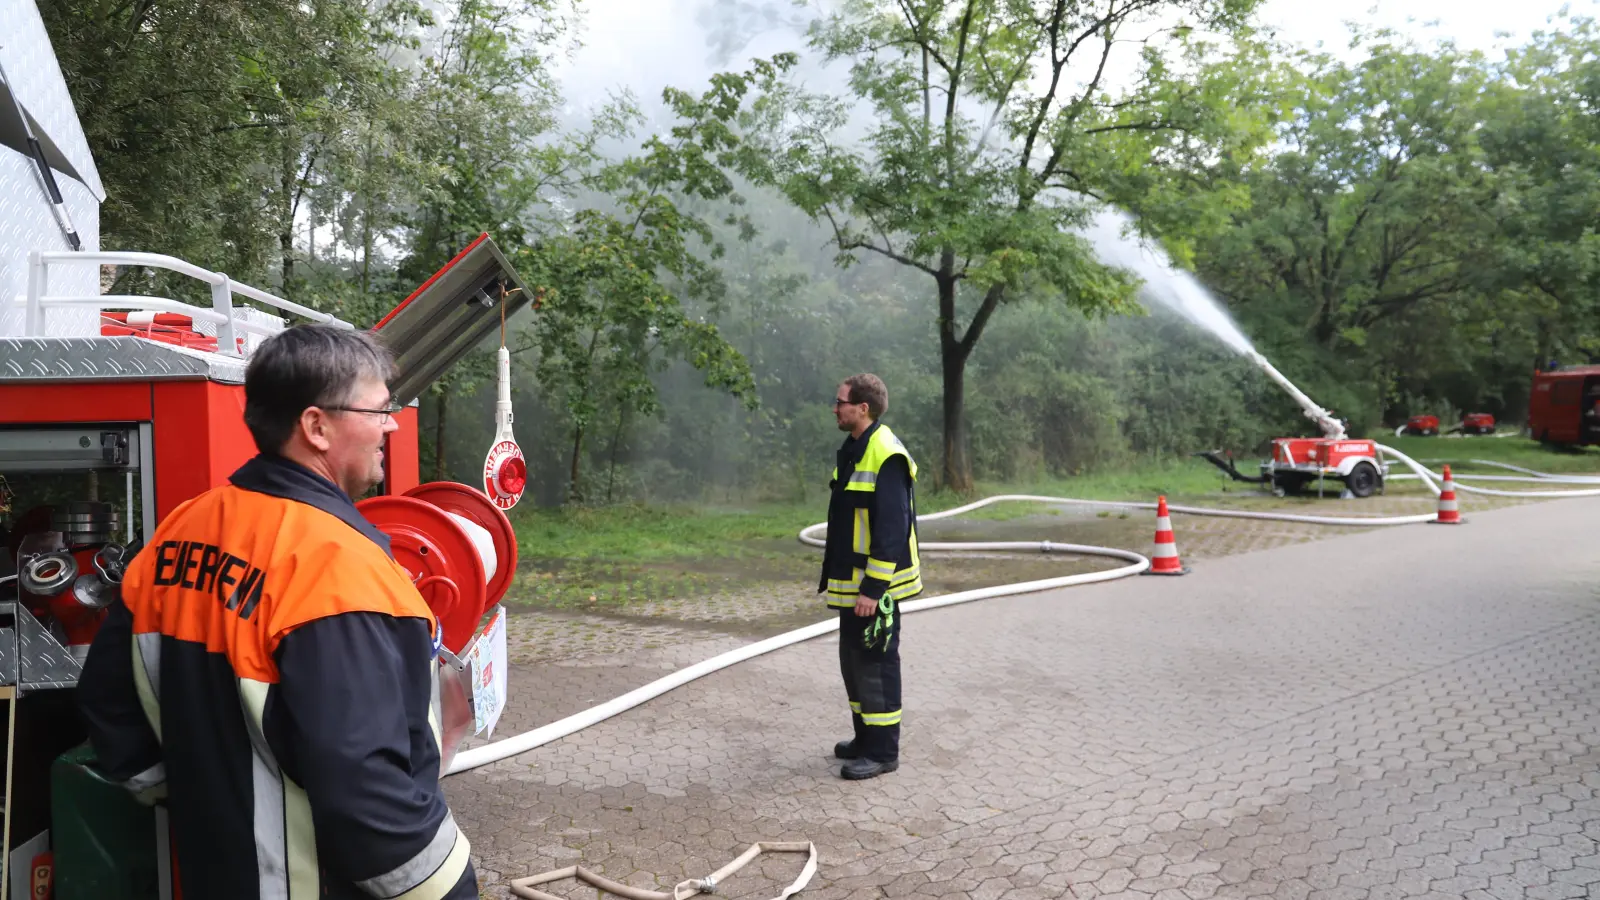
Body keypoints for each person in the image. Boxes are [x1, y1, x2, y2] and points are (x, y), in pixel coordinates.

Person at [77, 324, 479, 899]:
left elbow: (108, 700)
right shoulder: (337, 569)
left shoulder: (178, 532)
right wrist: (449, 886)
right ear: (316, 426)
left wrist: (193, 796)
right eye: (378, 410)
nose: (390, 425)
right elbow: (366, 793)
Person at [818, 373, 922, 780]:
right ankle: (864, 738)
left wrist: (873, 589)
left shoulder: (886, 454)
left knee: (876, 665)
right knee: (854, 662)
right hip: (853, 583)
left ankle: (883, 752)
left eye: (840, 401)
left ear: (863, 408)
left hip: (874, 588)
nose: (835, 407)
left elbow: (893, 530)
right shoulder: (854, 449)